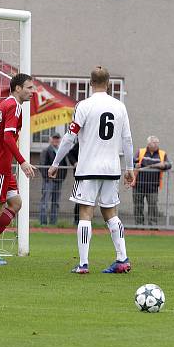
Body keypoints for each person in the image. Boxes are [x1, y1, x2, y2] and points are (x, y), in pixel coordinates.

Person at [48, 66, 134, 274]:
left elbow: (70, 136)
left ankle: (83, 264)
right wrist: (129, 167)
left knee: (85, 213)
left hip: (88, 168)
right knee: (111, 213)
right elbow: (127, 139)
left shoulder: (83, 106)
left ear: (90, 82)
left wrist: (56, 162)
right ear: (108, 83)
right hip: (111, 168)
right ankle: (122, 258)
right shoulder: (119, 106)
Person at [0, 73, 36, 265]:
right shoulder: (13, 106)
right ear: (18, 88)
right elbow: (7, 137)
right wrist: (22, 161)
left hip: (1, 164)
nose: (33, 92)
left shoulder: (4, 105)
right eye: (29, 87)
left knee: (16, 203)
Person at [132, 136, 171, 226]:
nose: (156, 144)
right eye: (154, 142)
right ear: (148, 144)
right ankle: (139, 225)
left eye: (157, 142)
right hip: (138, 185)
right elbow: (132, 162)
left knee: (153, 206)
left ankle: (153, 225)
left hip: (153, 186)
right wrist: (136, 164)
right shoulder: (140, 152)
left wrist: (161, 165)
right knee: (138, 206)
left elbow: (169, 164)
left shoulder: (162, 154)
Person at [39, 133, 66, 225]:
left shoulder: (61, 151)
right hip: (48, 181)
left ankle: (53, 223)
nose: (56, 140)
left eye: (57, 138)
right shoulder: (46, 151)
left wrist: (62, 178)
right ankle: (43, 222)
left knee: (56, 202)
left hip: (58, 181)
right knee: (45, 202)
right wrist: (47, 178)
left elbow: (64, 165)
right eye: (54, 138)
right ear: (51, 139)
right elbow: (42, 165)